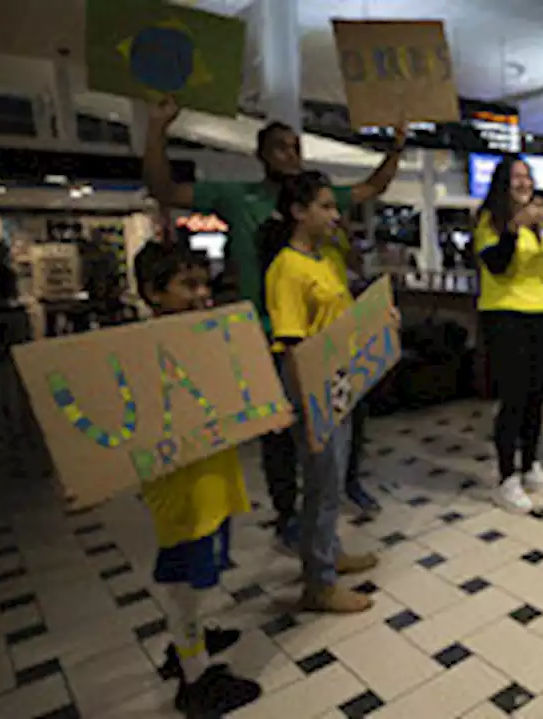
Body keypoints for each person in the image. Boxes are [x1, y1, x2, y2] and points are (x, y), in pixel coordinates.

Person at [142, 97, 406, 545]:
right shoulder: (240, 198)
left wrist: (397, 148)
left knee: (346, 419)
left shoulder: (316, 207)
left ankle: (340, 493)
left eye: (296, 147)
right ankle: (290, 516)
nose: (291, 154)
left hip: (330, 334)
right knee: (283, 430)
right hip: (269, 332)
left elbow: (370, 189)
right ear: (262, 155)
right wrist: (156, 129)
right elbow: (164, 190)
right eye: (281, 147)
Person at [131, 242, 261, 716]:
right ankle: (195, 676)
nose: (203, 294)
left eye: (205, 283)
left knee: (189, 568)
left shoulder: (199, 338)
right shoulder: (144, 351)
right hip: (184, 486)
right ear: (152, 292)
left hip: (208, 473)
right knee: (187, 577)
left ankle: (187, 643)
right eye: (188, 285)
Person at [261, 171, 388, 613]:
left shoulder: (326, 259)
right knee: (319, 482)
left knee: (333, 480)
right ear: (299, 212)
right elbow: (292, 344)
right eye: (326, 207)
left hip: (339, 379)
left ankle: (328, 553)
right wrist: (308, 413)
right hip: (311, 384)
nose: (336, 215)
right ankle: (319, 582)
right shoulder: (286, 269)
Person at [475, 158, 543, 512]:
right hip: (505, 314)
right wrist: (515, 227)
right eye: (516, 178)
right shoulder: (490, 220)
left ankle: (530, 466)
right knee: (513, 397)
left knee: (536, 395)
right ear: (502, 183)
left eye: (527, 177)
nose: (523, 183)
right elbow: (497, 263)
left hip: (542, 311)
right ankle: (505, 477)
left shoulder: (539, 223)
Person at [321, 221, 380, 516]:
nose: (334, 216)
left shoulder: (333, 246)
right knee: (329, 438)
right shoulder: (291, 263)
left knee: (353, 421)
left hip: (347, 352)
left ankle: (350, 483)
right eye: (326, 207)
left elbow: (357, 269)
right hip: (321, 359)